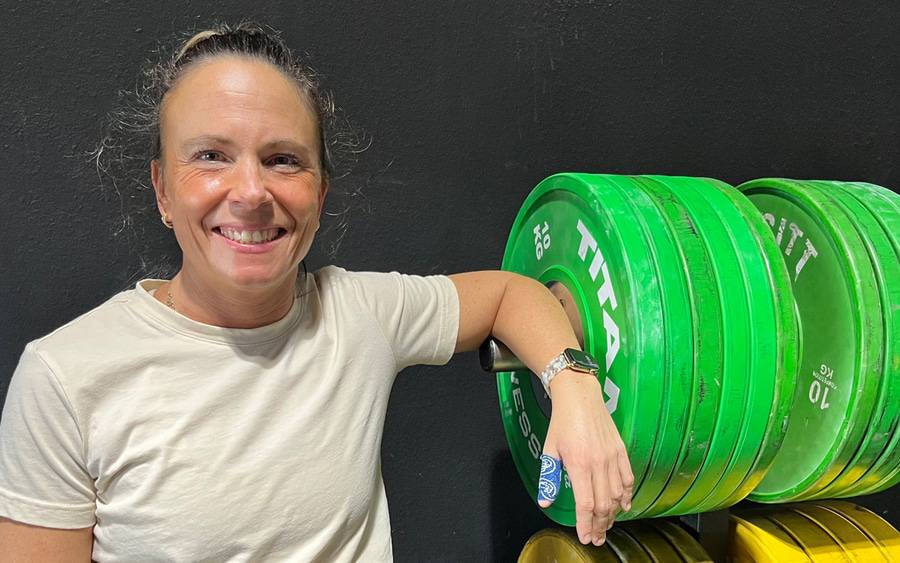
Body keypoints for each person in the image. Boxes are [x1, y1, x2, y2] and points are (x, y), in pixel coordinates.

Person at [0, 23, 632, 561]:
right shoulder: (64, 377)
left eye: (283, 160)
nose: (250, 192)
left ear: (320, 195)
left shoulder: (358, 314)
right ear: (163, 190)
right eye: (212, 156)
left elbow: (511, 294)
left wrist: (574, 389)